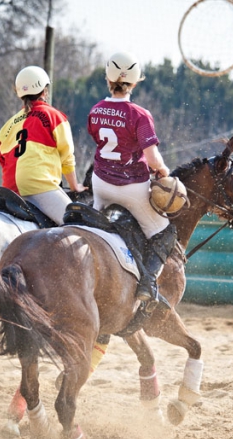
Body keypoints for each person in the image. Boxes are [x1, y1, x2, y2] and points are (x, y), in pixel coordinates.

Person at [87, 51, 177, 305]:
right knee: (165, 233)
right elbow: (152, 157)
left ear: (108, 80)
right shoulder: (139, 114)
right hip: (131, 188)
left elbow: (97, 140)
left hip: (101, 185)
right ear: (134, 83)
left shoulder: (95, 110)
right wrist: (163, 170)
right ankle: (148, 283)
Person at [0, 65, 86, 225]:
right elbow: (67, 158)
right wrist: (74, 186)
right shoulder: (55, 116)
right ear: (45, 91)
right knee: (80, 228)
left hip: (9, 189)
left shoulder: (8, 125)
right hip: (38, 186)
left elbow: (2, 158)